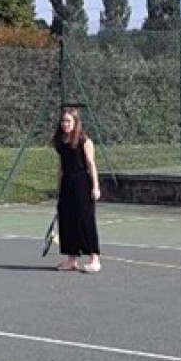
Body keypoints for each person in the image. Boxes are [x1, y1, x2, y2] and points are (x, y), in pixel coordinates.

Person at [52, 106, 102, 273]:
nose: (65, 124)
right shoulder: (60, 142)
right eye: (63, 121)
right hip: (67, 184)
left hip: (82, 183)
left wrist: (95, 187)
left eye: (68, 121)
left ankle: (94, 259)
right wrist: (59, 187)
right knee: (67, 220)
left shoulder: (84, 141)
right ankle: (71, 260)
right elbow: (61, 167)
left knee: (85, 220)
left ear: (75, 122)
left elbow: (91, 164)